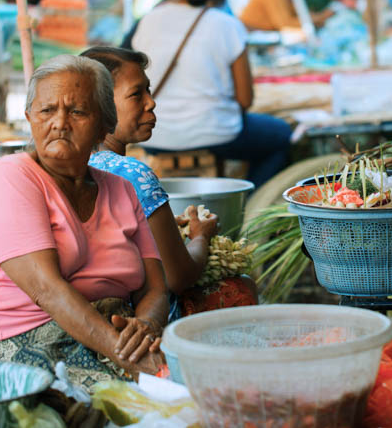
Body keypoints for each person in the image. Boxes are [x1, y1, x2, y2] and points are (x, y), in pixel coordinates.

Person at [0, 55, 168, 390]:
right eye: (47, 111)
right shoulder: (13, 175)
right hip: (25, 344)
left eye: (77, 111)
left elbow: (155, 287)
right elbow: (48, 290)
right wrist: (129, 356)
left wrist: (145, 326)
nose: (60, 122)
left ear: (104, 124)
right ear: (30, 118)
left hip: (109, 338)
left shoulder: (121, 189)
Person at [82, 46, 259, 316]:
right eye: (135, 94)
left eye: (148, 90)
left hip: (92, 309)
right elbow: (177, 278)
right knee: (240, 287)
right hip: (134, 315)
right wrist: (200, 237)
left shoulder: (74, 164)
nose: (151, 102)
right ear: (100, 105)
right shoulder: (132, 174)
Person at [129, 0, 292, 189]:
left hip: (155, 135)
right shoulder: (227, 25)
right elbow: (245, 100)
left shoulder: (147, 21)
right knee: (281, 135)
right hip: (218, 134)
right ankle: (248, 205)